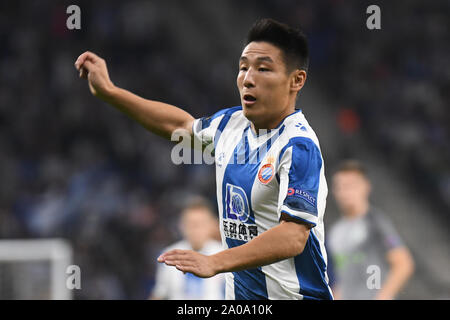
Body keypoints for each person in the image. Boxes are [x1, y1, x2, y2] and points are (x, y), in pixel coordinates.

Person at [75, 18, 333, 300]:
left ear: (296, 80)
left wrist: (214, 261)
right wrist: (111, 93)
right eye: (243, 67)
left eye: (263, 69)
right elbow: (178, 127)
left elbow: (294, 235)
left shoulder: (299, 146)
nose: (248, 78)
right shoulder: (230, 125)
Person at [328, 160, 415, 300]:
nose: (345, 192)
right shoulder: (334, 232)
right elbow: (339, 279)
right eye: (340, 186)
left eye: (351, 185)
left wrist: (384, 295)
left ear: (365, 186)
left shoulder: (376, 224)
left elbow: (403, 263)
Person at [150, 197, 225, 300]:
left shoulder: (223, 254)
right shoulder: (169, 255)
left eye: (200, 224)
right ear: (181, 226)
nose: (196, 230)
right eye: (191, 224)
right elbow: (159, 294)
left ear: (211, 225)